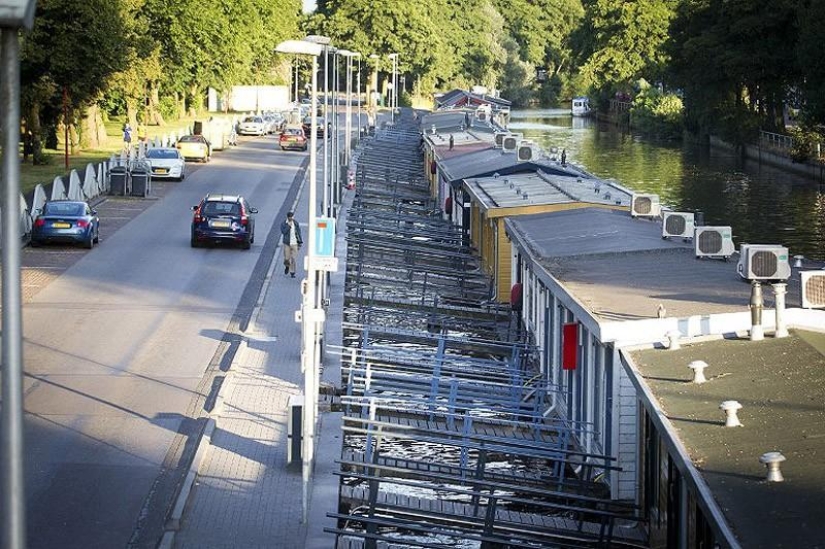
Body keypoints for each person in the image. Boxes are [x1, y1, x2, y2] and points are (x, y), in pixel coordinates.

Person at [280, 211, 303, 278]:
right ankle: (287, 266)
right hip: (287, 243)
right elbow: (283, 232)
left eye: (292, 217)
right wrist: (288, 226)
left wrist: (300, 242)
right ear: (288, 217)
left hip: (294, 243)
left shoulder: (295, 223)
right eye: (290, 217)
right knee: (287, 258)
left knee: (293, 258)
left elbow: (299, 232)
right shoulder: (284, 223)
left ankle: (292, 272)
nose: (292, 218)